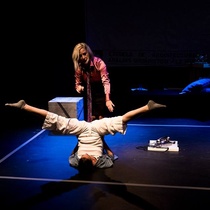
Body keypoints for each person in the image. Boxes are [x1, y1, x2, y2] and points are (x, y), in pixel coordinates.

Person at [5, 99, 166, 173]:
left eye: (83, 157)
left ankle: (24, 106)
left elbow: (73, 153)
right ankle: (147, 107)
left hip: (81, 130)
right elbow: (112, 155)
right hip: (96, 130)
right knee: (120, 120)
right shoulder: (102, 163)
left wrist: (78, 139)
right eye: (87, 157)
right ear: (93, 161)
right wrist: (103, 141)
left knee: (56, 120)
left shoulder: (76, 162)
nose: (84, 155)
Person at [72, 42, 114, 122]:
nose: (83, 57)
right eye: (80, 56)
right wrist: (79, 88)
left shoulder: (99, 63)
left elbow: (106, 82)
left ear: (88, 52)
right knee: (91, 118)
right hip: (88, 91)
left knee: (101, 118)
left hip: (100, 89)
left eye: (84, 54)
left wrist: (107, 99)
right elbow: (77, 84)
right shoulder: (79, 67)